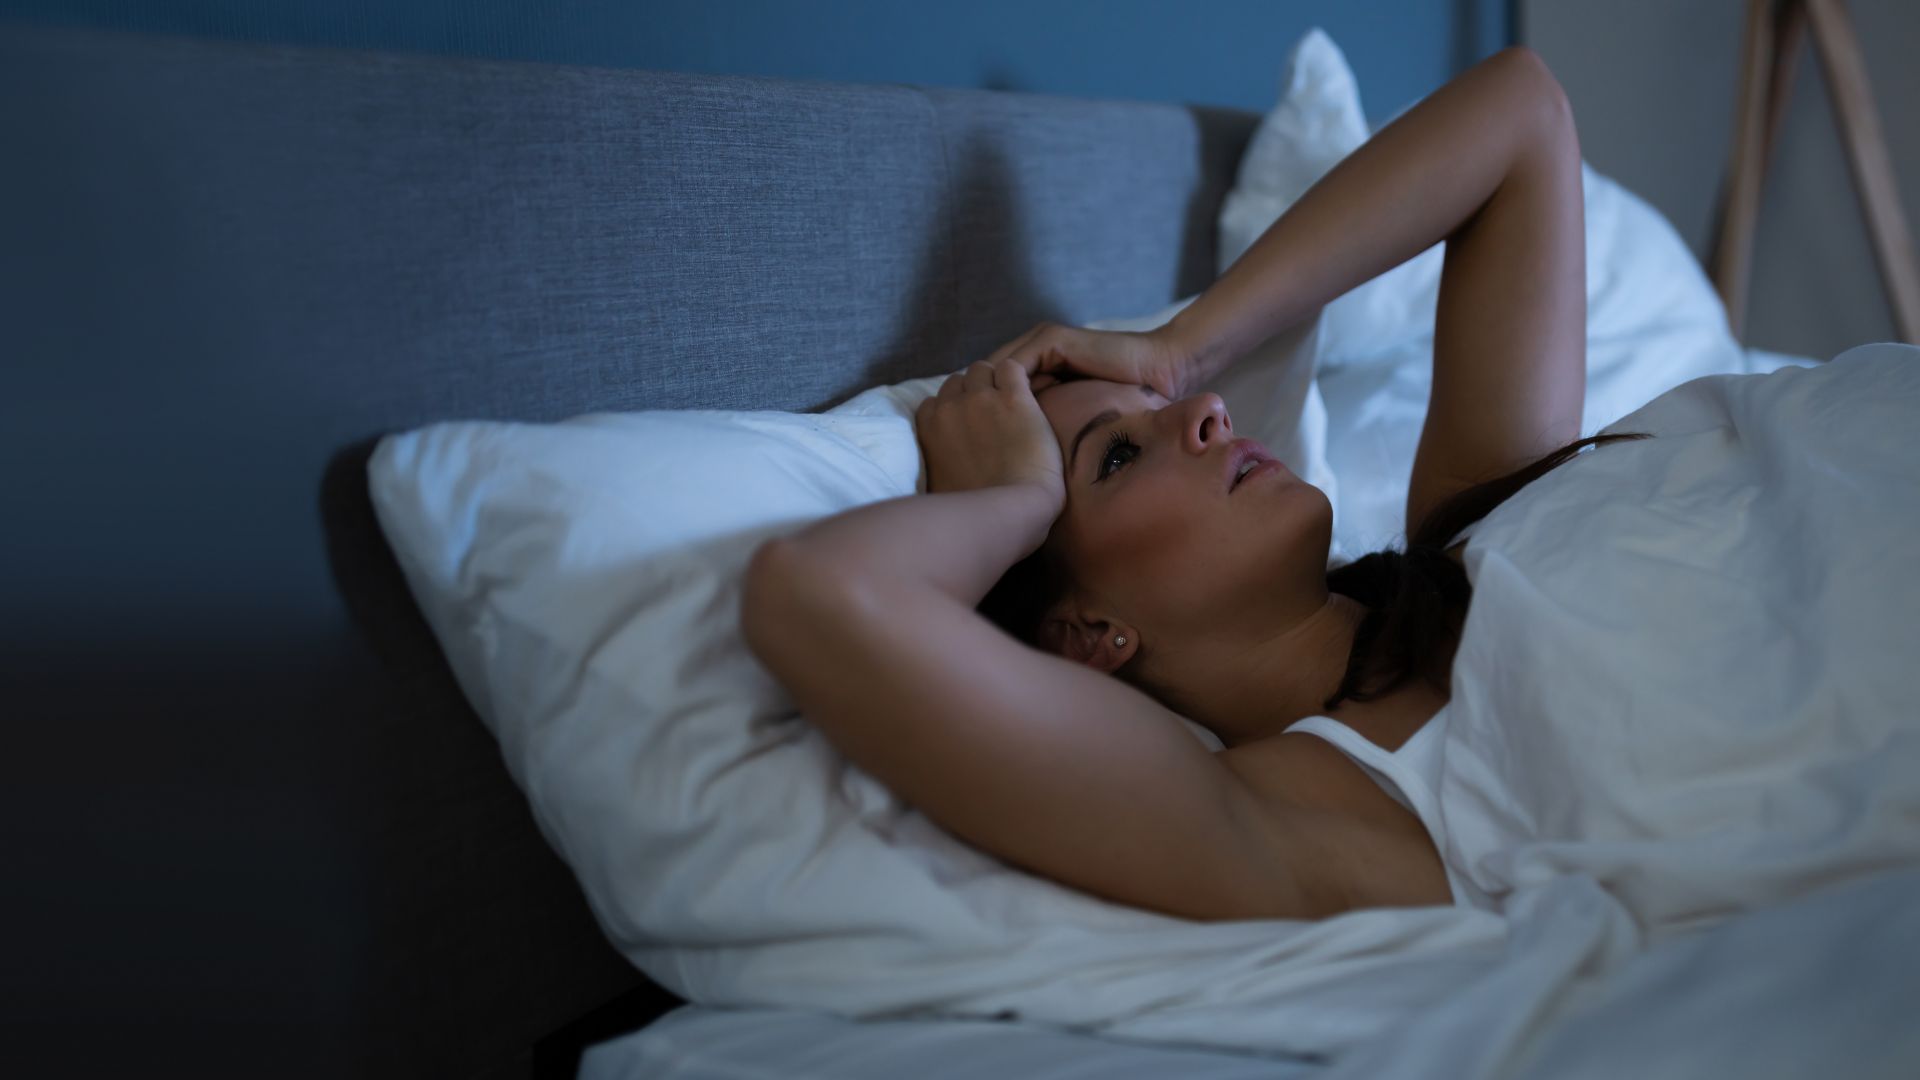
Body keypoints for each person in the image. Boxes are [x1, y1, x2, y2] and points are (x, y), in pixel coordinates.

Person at [741, 46, 1636, 922]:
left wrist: (1185, 344)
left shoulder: (1480, 526)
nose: (1206, 409)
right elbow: (820, 594)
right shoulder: (1282, 811)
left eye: (1163, 403)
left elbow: (1523, 110)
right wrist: (1008, 504)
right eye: (1117, 457)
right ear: (1092, 633)